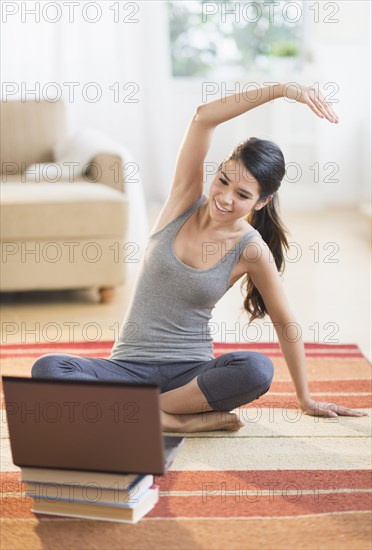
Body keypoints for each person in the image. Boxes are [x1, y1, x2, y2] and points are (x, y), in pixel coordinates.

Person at [32, 82, 367, 432]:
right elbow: (203, 119)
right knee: (48, 368)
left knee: (256, 370)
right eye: (223, 181)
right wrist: (281, 90)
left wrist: (305, 398)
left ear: (261, 202)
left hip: (192, 379)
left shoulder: (250, 248)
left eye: (242, 194)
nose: (224, 197)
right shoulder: (182, 202)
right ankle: (176, 423)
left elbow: (285, 322)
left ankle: (143, 413)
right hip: (128, 369)